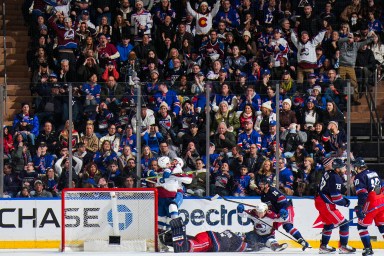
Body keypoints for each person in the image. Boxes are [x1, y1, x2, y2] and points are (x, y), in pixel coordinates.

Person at [315, 158, 356, 254]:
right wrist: (345, 202)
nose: (344, 168)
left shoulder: (328, 173)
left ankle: (323, 246)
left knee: (328, 224)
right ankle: (343, 246)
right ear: (337, 169)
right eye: (342, 166)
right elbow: (336, 198)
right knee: (344, 224)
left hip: (320, 201)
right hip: (326, 203)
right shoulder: (335, 177)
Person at [257, 177, 311, 250]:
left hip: (286, 209)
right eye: (260, 184)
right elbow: (267, 207)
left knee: (287, 226)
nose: (260, 185)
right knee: (272, 226)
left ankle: (302, 241)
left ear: (267, 185)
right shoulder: (263, 195)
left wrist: (283, 209)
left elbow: (284, 201)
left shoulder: (273, 191)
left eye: (262, 184)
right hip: (277, 211)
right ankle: (272, 243)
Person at [163, 217, 253, 252]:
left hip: (207, 236)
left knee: (194, 241)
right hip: (210, 241)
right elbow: (244, 247)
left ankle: (168, 238)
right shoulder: (238, 241)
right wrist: (256, 246)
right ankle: (178, 242)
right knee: (191, 247)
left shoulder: (232, 234)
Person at [352, 157, 384, 256]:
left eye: (355, 166)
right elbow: (381, 186)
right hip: (382, 200)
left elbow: (363, 193)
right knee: (382, 225)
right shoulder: (374, 173)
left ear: (358, 167)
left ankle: (368, 248)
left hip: (371, 201)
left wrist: (360, 206)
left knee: (361, 226)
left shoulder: (359, 176)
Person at [156, 156, 192, 231]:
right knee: (161, 218)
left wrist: (174, 173)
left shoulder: (175, 171)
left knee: (172, 207)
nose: (172, 162)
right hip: (161, 198)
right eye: (171, 161)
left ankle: (176, 228)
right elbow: (157, 175)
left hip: (172, 196)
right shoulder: (161, 171)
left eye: (175, 161)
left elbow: (188, 180)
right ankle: (161, 235)